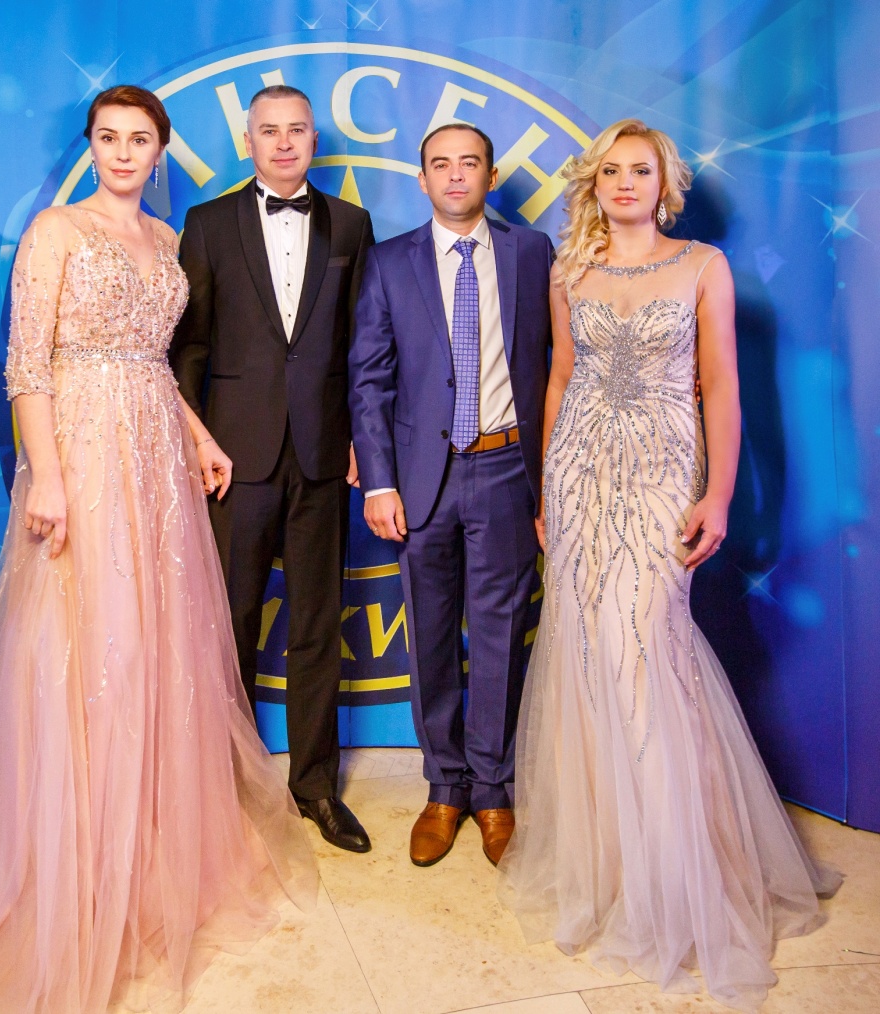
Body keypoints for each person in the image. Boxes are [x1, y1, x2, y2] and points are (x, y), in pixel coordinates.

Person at [0, 86, 317, 1014]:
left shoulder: (169, 242)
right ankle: (80, 866)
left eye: (140, 140)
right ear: (90, 146)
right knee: (88, 648)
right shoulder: (56, 230)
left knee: (154, 648)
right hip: (84, 459)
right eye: (108, 137)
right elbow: (28, 364)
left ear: (160, 151)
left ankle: (149, 854)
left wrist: (201, 436)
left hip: (155, 460)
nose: (124, 153)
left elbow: (152, 364)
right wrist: (47, 478)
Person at [496, 118, 840, 1012]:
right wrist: (547, 489)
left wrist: (718, 494)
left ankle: (681, 872)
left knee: (649, 653)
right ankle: (611, 865)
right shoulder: (569, 271)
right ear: (594, 183)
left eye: (640, 170)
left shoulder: (702, 267)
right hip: (578, 476)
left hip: (660, 476)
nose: (625, 183)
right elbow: (560, 379)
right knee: (586, 657)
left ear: (664, 184)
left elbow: (722, 384)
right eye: (611, 170)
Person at [170, 85, 375, 854]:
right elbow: (189, 345)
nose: (283, 142)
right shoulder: (207, 223)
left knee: (318, 626)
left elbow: (362, 344)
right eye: (269, 130)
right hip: (236, 458)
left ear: (314, 139)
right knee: (231, 625)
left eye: (297, 129)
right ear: (248, 141)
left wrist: (360, 437)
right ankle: (229, 786)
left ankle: (315, 786)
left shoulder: (351, 224)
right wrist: (198, 439)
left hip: (322, 455)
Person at [348, 124, 554, 867]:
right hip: (419, 478)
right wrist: (379, 480)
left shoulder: (533, 253)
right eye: (441, 164)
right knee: (430, 633)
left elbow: (563, 359)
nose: (456, 175)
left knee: (500, 632)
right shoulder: (388, 262)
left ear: (491, 176)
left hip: (505, 468)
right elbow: (369, 378)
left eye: (470, 163)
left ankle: (493, 789)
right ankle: (445, 786)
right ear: (423, 178)